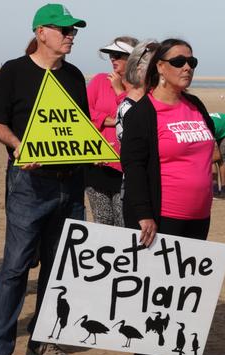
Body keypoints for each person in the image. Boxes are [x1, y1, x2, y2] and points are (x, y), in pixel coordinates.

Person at [0, 4, 87, 355]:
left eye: (74, 30)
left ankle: (43, 342)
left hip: (71, 185)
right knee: (14, 267)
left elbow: (80, 131)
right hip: (28, 183)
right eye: (64, 30)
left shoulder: (75, 76)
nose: (71, 35)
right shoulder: (14, 71)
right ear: (41, 32)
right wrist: (17, 146)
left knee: (58, 270)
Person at [120, 38, 215, 355]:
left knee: (186, 294)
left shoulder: (196, 105)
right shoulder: (142, 113)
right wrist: (144, 214)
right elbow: (132, 168)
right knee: (154, 297)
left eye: (192, 62)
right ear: (159, 67)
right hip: (162, 217)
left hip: (199, 216)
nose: (187, 67)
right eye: (178, 62)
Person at [85, 36, 138, 227]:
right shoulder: (99, 80)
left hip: (125, 168)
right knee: (102, 221)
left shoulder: (140, 88)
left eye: (119, 55)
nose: (113, 59)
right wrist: (114, 121)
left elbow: (135, 118)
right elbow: (84, 112)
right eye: (111, 55)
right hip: (98, 163)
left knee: (124, 223)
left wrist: (118, 91)